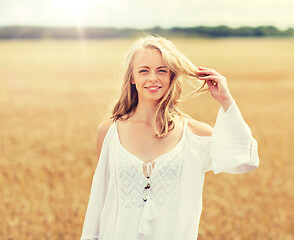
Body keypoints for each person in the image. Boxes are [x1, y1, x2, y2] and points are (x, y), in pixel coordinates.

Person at [80, 34, 259, 240]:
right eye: (144, 71)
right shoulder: (109, 132)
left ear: (171, 76)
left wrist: (225, 99)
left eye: (162, 71)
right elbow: (100, 200)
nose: (153, 78)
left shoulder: (194, 134)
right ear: (132, 77)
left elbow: (245, 159)